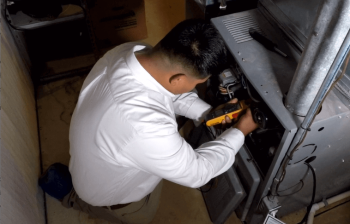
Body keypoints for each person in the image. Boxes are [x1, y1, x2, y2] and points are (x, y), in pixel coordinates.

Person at [63, 19, 258, 223]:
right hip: (111, 195)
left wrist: (207, 113)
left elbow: (169, 93)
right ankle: (72, 199)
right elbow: (198, 172)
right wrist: (240, 131)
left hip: (91, 161)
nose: (196, 86)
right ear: (178, 79)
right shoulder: (147, 129)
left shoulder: (131, 53)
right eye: (197, 82)